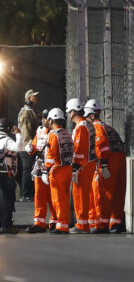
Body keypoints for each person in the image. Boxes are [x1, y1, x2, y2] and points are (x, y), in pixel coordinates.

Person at [84, 100, 126, 234]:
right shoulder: (107, 126)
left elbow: (101, 144)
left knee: (102, 192)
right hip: (120, 158)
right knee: (117, 192)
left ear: (91, 115)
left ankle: (102, 224)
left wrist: (104, 165)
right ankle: (115, 223)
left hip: (108, 159)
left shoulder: (95, 126)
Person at [66, 98, 97, 234]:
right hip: (88, 163)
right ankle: (84, 223)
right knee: (85, 193)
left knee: (79, 194)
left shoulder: (81, 126)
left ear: (73, 111)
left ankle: (82, 224)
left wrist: (76, 167)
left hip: (83, 165)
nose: (68, 114)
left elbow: (79, 149)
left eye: (69, 112)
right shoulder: (87, 124)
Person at [42, 108, 74, 234]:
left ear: (51, 120)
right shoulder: (66, 133)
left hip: (57, 171)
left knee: (58, 199)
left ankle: (62, 226)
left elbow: (51, 154)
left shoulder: (53, 134)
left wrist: (45, 171)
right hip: (68, 169)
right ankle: (63, 223)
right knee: (65, 199)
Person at [25, 109, 57, 233]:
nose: (43, 121)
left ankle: (55, 221)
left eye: (45, 118)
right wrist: (30, 148)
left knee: (53, 196)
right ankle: (39, 222)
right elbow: (34, 146)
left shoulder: (56, 132)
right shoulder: (40, 131)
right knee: (39, 195)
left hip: (53, 167)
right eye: (42, 118)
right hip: (40, 166)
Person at [17, 89, 40, 201]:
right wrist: (28, 143)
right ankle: (25, 194)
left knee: (30, 169)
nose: (37, 99)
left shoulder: (30, 111)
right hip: (27, 145)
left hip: (30, 144)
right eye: (34, 97)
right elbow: (26, 129)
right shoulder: (26, 112)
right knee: (27, 169)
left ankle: (28, 193)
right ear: (29, 99)